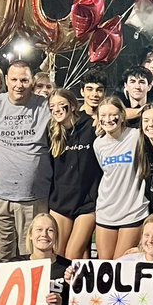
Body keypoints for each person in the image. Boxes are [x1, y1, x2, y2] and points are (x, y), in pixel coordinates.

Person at [0, 60, 51, 260]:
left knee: (32, 258)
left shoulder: (45, 105)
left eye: (24, 80)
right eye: (14, 80)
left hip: (33, 198)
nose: (19, 85)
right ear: (6, 81)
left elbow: (79, 112)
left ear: (31, 81)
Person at [48, 88, 101, 261]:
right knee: (58, 255)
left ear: (72, 105)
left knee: (73, 255)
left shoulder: (91, 126)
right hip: (61, 201)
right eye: (52, 106)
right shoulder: (52, 133)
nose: (56, 109)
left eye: (61, 105)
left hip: (87, 202)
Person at [94, 96, 149, 259]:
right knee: (104, 266)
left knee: (121, 264)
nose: (108, 119)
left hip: (132, 210)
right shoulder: (98, 144)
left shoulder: (136, 136)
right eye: (102, 116)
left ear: (123, 116)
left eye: (113, 114)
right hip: (106, 210)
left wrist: (137, 112)